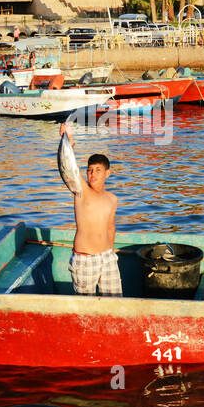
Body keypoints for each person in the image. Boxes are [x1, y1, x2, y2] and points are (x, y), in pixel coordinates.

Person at [59, 121, 121, 296]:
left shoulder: (112, 199)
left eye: (98, 170)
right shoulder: (81, 191)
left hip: (108, 257)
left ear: (107, 173)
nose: (92, 174)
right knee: (86, 306)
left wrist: (111, 252)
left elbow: (111, 227)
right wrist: (68, 137)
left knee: (114, 302)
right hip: (85, 259)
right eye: (90, 170)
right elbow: (69, 165)